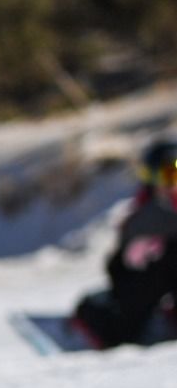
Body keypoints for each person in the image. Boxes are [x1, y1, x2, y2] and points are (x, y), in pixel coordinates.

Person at [72, 138, 177, 349]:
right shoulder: (150, 211)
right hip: (138, 279)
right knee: (119, 335)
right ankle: (92, 313)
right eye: (169, 174)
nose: (173, 182)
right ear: (153, 179)